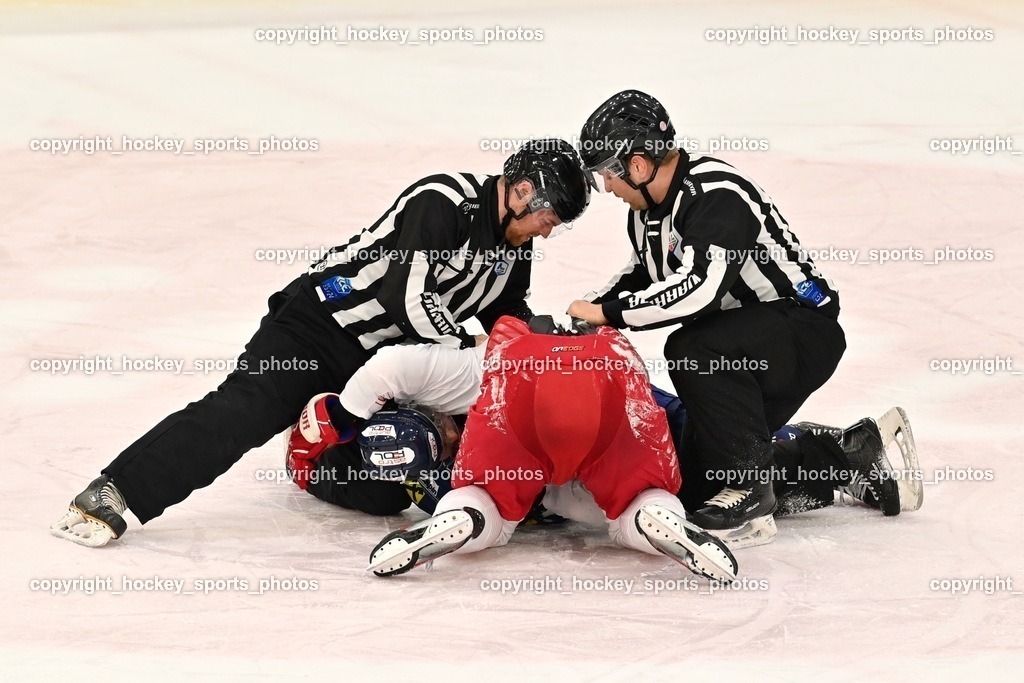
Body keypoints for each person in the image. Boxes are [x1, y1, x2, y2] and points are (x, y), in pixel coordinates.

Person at [51, 139, 592, 548]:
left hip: (383, 358)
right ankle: (117, 492)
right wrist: (467, 346)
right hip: (317, 325)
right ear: (523, 191)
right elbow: (406, 297)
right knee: (247, 409)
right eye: (549, 218)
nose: (547, 232)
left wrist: (538, 345)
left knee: (387, 484)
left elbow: (506, 319)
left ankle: (309, 458)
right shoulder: (443, 200)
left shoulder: (513, 249)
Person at [287, 315, 920, 553]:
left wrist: (336, 417)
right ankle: (836, 462)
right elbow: (319, 473)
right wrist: (314, 460)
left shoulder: (450, 375)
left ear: (424, 410)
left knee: (707, 467)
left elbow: (385, 372)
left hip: (612, 415)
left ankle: (846, 454)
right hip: (569, 477)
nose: (453, 442)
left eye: (445, 434)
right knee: (691, 486)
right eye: (442, 453)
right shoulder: (402, 477)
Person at [567, 90, 848, 547]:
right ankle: (846, 456)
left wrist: (609, 313)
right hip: (748, 338)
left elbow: (699, 289)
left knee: (692, 349)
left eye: (608, 174)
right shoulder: (646, 212)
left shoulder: (717, 194)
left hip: (800, 330)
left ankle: (751, 497)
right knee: (696, 479)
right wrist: (591, 308)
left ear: (638, 164)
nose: (608, 188)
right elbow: (644, 271)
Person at [364, 317, 739, 581]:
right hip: (602, 380)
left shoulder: (443, 476)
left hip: (528, 443)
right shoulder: (463, 373)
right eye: (446, 443)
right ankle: (653, 514)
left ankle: (464, 520)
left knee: (482, 504)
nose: (452, 437)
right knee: (635, 498)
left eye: (444, 430)